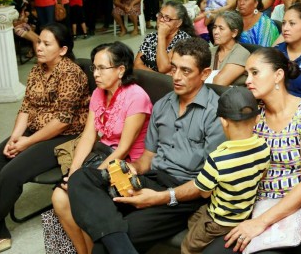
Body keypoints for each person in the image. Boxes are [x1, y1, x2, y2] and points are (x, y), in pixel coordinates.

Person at [68, 38, 226, 253]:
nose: (176, 77)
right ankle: (116, 236)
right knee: (82, 177)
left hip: (182, 196)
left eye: (186, 71)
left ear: (205, 73)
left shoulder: (216, 114)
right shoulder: (162, 105)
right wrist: (134, 168)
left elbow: (207, 184)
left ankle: (115, 239)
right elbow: (148, 157)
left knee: (104, 247)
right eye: (174, 68)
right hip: (151, 179)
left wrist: (160, 198)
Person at [203, 47, 301, 254]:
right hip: (251, 204)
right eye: (247, 73)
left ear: (278, 75)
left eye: (255, 72)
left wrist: (260, 222)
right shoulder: (253, 114)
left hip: (292, 211)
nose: (247, 80)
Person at [0, 23, 89, 254]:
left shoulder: (71, 73)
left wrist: (28, 142)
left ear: (62, 50)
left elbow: (63, 120)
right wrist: (15, 138)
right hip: (35, 130)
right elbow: (26, 107)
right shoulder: (37, 70)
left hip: (64, 136)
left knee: (9, 175)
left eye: (46, 43)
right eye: (39, 41)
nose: (38, 47)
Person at [52, 42, 152, 254]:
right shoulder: (99, 92)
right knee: (59, 198)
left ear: (120, 70)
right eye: (94, 68)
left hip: (125, 164)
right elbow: (88, 136)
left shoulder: (136, 97)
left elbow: (123, 149)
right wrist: (75, 173)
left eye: (101, 68)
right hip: (101, 155)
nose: (95, 74)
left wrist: (89, 180)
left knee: (82, 199)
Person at [181, 86, 270, 254]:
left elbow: (204, 193)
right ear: (257, 118)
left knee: (188, 245)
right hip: (243, 215)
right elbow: (261, 175)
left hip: (218, 220)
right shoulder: (264, 148)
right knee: (195, 218)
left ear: (223, 121)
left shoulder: (217, 159)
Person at [135, 0, 195, 73]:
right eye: (160, 15)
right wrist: (157, 77)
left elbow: (163, 68)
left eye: (167, 18)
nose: (161, 20)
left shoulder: (184, 41)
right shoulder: (151, 37)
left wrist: (161, 36)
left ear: (178, 23)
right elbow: (137, 65)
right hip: (149, 80)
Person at [209, 11, 250, 86]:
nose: (215, 32)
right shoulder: (210, 51)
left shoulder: (241, 53)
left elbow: (219, 83)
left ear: (234, 33)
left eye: (221, 28)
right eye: (214, 27)